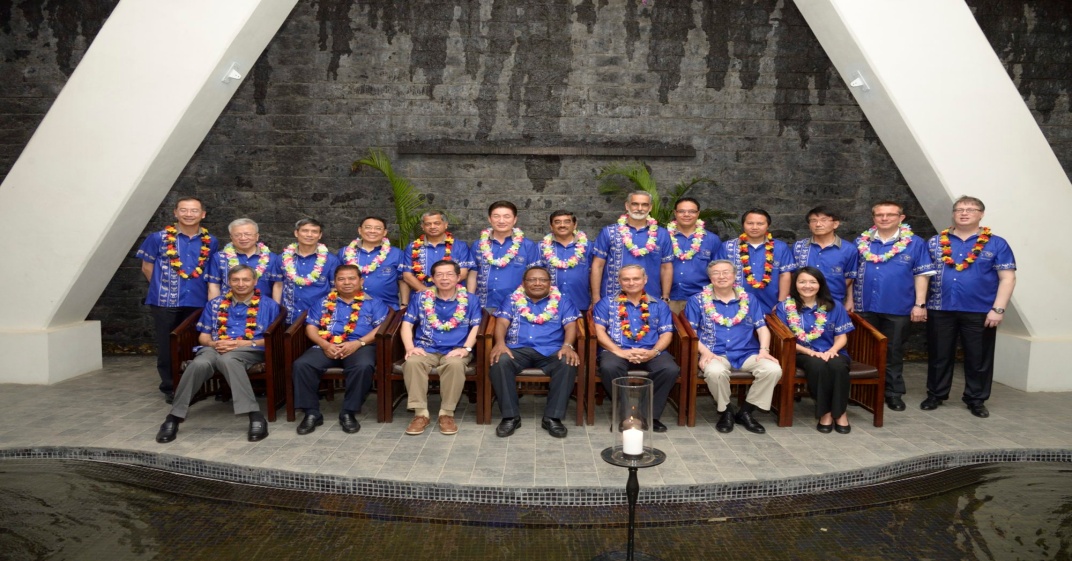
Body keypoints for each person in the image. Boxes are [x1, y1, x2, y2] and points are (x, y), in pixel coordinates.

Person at [155, 265, 281, 443]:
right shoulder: (214, 304)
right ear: (229, 282)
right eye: (235, 280)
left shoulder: (269, 305)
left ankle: (255, 415)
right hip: (215, 347)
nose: (241, 284)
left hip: (250, 349)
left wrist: (242, 343)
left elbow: (271, 339)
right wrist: (214, 343)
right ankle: (174, 417)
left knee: (229, 360)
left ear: (255, 282)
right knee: (198, 364)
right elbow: (203, 337)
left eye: (246, 279)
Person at [923, 196, 1016, 418]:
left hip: (980, 310)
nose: (964, 213)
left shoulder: (996, 243)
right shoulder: (935, 242)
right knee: (939, 355)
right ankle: (936, 394)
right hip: (940, 307)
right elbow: (923, 275)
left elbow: (1007, 278)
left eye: (971, 209)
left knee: (978, 358)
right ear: (953, 214)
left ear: (981, 214)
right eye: (959, 209)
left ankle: (976, 399)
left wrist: (998, 309)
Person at [853, 200, 934, 412]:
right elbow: (850, 274)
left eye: (890, 214)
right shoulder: (861, 242)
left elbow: (922, 275)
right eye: (880, 214)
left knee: (893, 351)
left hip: (898, 306)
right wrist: (849, 300)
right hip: (864, 305)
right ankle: (862, 391)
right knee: (863, 349)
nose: (884, 218)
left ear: (901, 218)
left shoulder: (915, 243)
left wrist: (920, 304)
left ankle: (893, 393)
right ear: (873, 218)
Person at [137, 196, 219, 403]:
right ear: (175, 213)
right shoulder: (158, 238)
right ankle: (171, 387)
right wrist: (163, 287)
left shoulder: (211, 241)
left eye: (194, 210)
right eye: (184, 210)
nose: (188, 214)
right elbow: (147, 267)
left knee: (194, 343)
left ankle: (196, 385)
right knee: (168, 346)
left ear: (203, 214)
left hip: (198, 301)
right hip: (165, 302)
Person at [684, 260, 781, 434]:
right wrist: (704, 352)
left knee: (773, 369)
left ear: (735, 275)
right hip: (714, 353)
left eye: (726, 272)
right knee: (715, 372)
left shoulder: (749, 299)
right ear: (710, 277)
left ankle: (746, 412)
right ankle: (726, 411)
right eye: (716, 273)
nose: (721, 276)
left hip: (747, 353)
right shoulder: (696, 300)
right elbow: (691, 333)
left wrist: (764, 351)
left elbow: (762, 328)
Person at [292, 265, 390, 435]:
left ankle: (348, 412)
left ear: (361, 281)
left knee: (363, 366)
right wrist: (325, 345)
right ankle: (311, 413)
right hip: (326, 345)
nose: (346, 282)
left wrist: (358, 343)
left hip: (360, 346)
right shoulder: (323, 302)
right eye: (341, 279)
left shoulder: (374, 303)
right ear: (335, 282)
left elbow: (380, 328)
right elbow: (311, 327)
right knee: (302, 365)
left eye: (351, 278)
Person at [489, 266, 581, 438]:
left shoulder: (563, 300)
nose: (537, 283)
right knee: (500, 360)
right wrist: (500, 343)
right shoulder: (511, 299)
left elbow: (571, 326)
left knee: (567, 362)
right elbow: (501, 323)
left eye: (543, 280)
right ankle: (510, 416)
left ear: (550, 283)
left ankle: (553, 417)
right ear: (523, 283)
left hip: (552, 350)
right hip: (517, 349)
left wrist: (568, 345)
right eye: (532, 280)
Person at [592, 264, 679, 432]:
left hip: (651, 349)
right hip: (616, 349)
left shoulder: (659, 305)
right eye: (626, 279)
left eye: (636, 278)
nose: (631, 283)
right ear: (619, 281)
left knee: (669, 369)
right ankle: (625, 417)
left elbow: (666, 334)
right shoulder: (606, 303)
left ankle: (648, 416)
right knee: (609, 367)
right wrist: (620, 352)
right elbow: (599, 331)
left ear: (645, 280)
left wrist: (653, 352)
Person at [402, 260, 483, 435]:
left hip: (456, 349)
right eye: (439, 274)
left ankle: (446, 413)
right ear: (432, 278)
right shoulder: (420, 297)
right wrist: (410, 347)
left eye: (449, 274)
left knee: (454, 365)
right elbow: (407, 324)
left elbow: (476, 326)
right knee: (412, 362)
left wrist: (466, 349)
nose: (444, 278)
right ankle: (420, 414)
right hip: (426, 347)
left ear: (458, 277)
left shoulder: (471, 299)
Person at [774, 267, 855, 434]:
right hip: (801, 352)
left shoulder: (835, 306)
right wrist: (810, 352)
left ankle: (840, 413)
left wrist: (832, 350)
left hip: (832, 351)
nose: (807, 286)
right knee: (817, 366)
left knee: (838, 366)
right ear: (795, 284)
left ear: (820, 284)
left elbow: (842, 337)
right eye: (802, 282)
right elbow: (786, 339)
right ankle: (825, 413)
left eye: (812, 282)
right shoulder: (785, 307)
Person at [591, 191, 673, 308]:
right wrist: (596, 299)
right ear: (627, 205)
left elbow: (666, 267)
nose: (639, 208)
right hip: (613, 299)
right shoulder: (609, 232)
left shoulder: (662, 234)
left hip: (651, 299)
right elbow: (597, 265)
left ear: (650, 207)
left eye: (644, 205)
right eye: (635, 204)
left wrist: (665, 297)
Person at [717, 208, 794, 314]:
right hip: (734, 306)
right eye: (750, 223)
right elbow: (717, 274)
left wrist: (781, 303)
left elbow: (785, 275)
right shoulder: (727, 247)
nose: (754, 227)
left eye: (760, 224)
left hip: (771, 306)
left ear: (768, 225)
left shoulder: (780, 247)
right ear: (743, 225)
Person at [468, 201, 539, 310]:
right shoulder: (478, 245)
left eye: (507, 216)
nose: (501, 221)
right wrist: (471, 301)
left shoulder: (527, 245)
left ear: (515, 220)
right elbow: (473, 273)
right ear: (489, 219)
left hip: (517, 306)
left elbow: (535, 276)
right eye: (496, 216)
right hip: (483, 305)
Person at [792, 206, 857, 309]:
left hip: (834, 302)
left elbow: (850, 277)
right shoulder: (798, 247)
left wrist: (850, 299)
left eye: (824, 220)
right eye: (813, 220)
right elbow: (791, 274)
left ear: (835, 224)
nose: (818, 224)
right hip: (802, 303)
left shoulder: (849, 249)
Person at [206, 218, 283, 303]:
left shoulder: (272, 258)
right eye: (237, 235)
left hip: (263, 307)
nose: (243, 238)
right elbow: (214, 286)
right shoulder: (219, 257)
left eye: (248, 234)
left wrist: (276, 309)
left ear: (257, 236)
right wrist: (214, 308)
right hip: (227, 308)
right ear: (231, 237)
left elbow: (278, 286)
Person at [667, 198, 722, 314]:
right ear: (675, 213)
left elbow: (718, 271)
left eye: (691, 211)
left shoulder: (712, 240)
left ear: (698, 213)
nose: (686, 215)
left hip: (701, 300)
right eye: (682, 211)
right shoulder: (663, 237)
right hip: (668, 299)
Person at [280, 218, 339, 325]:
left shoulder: (331, 260)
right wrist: (278, 311)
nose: (309, 235)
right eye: (305, 231)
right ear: (296, 233)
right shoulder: (282, 258)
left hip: (318, 317)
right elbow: (278, 285)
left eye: (314, 231)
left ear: (320, 235)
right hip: (289, 316)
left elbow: (334, 288)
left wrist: (329, 314)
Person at [339, 216, 406, 310]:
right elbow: (337, 280)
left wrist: (404, 304)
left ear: (384, 232)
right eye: (368, 227)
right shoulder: (345, 252)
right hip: (350, 307)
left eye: (378, 228)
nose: (372, 231)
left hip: (387, 308)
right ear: (360, 230)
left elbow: (402, 280)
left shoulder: (397, 253)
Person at [401, 210, 475, 293]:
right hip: (421, 296)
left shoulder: (460, 246)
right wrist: (428, 291)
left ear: (445, 225)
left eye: (437, 223)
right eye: (428, 224)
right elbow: (407, 276)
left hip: (454, 297)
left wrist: (440, 290)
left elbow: (463, 273)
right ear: (422, 226)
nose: (432, 227)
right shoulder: (412, 247)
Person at [539, 210, 592, 312]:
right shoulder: (541, 247)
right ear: (551, 226)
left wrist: (595, 298)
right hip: (548, 306)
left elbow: (595, 273)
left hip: (580, 304)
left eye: (567, 222)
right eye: (557, 222)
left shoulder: (588, 246)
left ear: (575, 225)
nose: (562, 225)